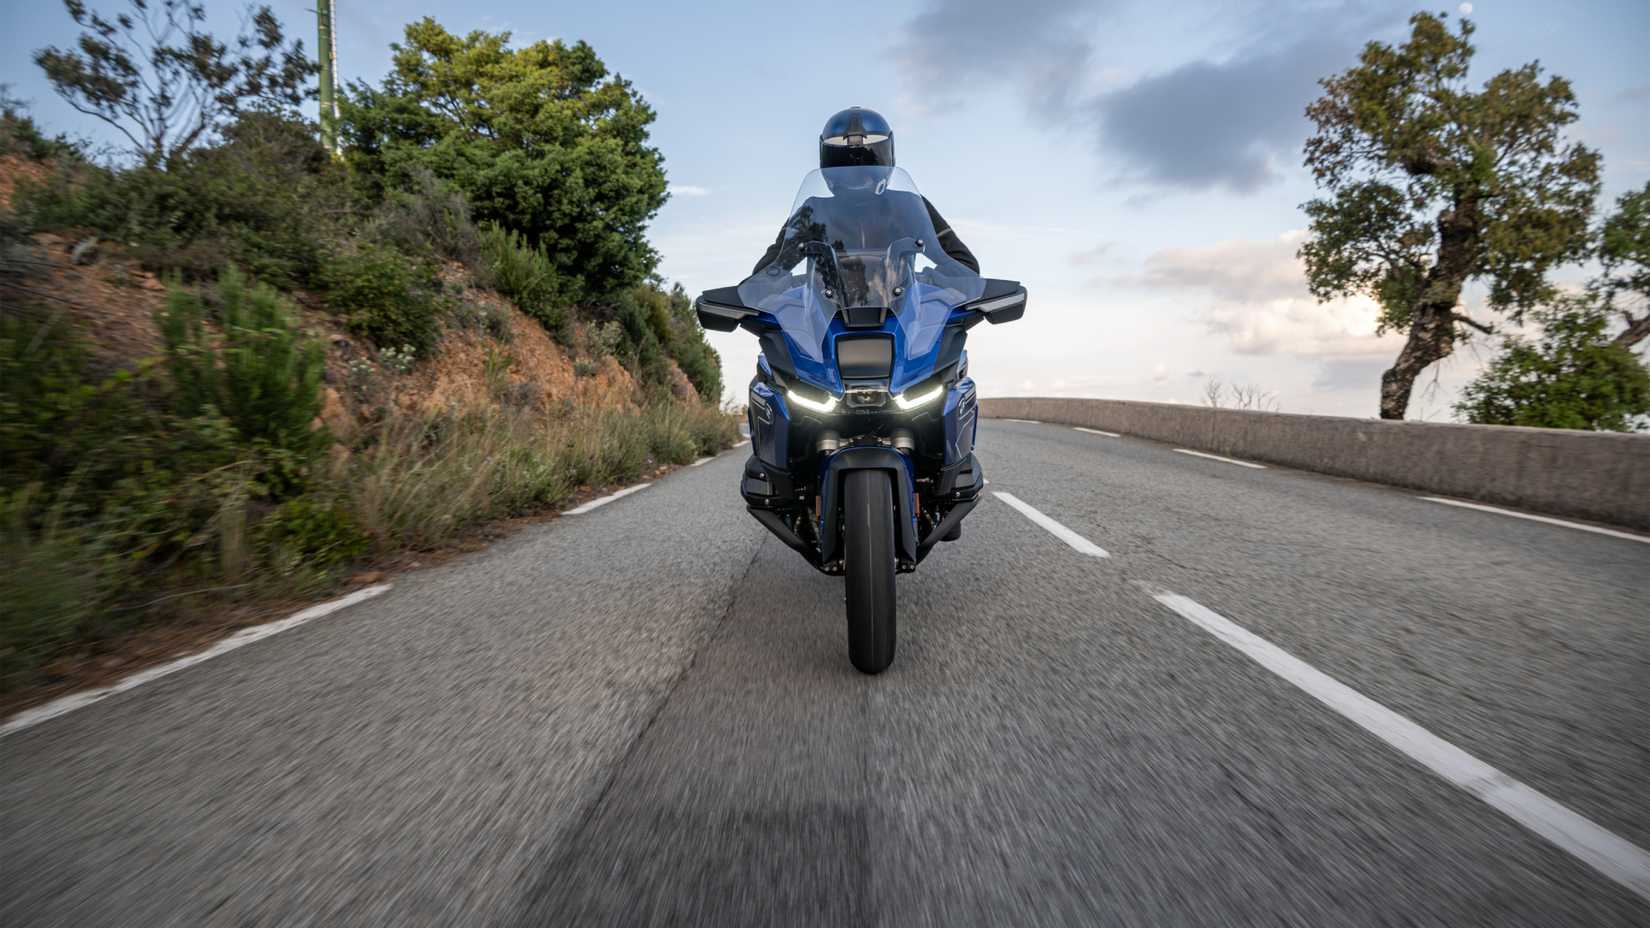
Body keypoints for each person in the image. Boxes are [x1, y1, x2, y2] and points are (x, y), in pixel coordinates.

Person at [752, 106, 978, 276]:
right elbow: (769, 271)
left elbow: (964, 265)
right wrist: (780, 287)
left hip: (907, 319)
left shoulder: (909, 206)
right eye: (848, 169)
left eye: (865, 169)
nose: (857, 175)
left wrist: (923, 282)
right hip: (820, 321)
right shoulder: (813, 212)